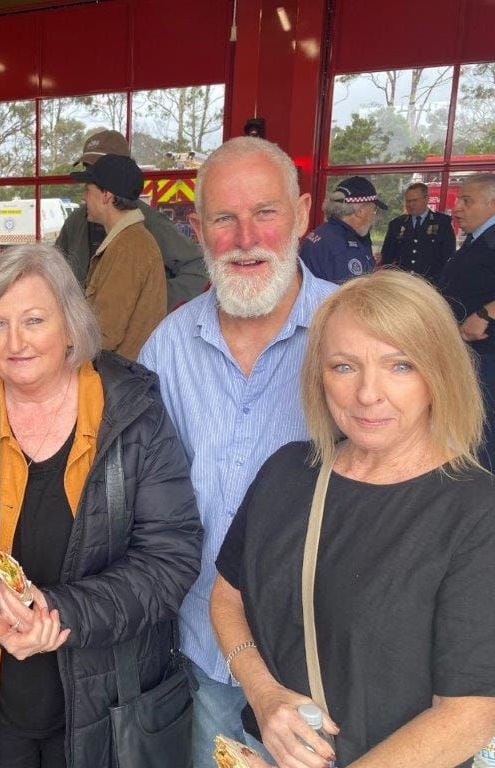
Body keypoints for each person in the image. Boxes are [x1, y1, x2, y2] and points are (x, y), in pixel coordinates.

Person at [0, 244, 202, 768]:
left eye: (34, 319)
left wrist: (62, 612)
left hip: (106, 703)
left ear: (70, 322)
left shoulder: (132, 410)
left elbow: (170, 554)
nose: (15, 342)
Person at [211, 269, 495, 767]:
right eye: (344, 367)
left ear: (440, 373)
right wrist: (265, 695)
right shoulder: (287, 473)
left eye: (400, 366)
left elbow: (471, 712)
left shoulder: (476, 510)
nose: (368, 394)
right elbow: (226, 596)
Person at [138, 136, 337, 764]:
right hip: (201, 649)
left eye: (266, 212)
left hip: (325, 658)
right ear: (197, 228)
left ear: (303, 214)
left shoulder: (353, 330)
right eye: (224, 218)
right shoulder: (167, 348)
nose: (245, 236)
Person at [54, 129, 208, 311]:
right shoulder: (76, 222)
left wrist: (152, 303)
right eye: (88, 169)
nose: (91, 177)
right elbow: (53, 270)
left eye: (99, 168)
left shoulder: (151, 224)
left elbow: (198, 267)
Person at [69, 152, 166, 359]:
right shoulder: (127, 241)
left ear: (107, 196)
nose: (84, 197)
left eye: (88, 190)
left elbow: (105, 334)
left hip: (120, 380)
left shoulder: (128, 247)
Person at [438, 172, 495, 472]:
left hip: (488, 358)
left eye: (467, 201)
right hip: (468, 354)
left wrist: (486, 314)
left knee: (485, 434)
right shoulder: (477, 239)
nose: (457, 207)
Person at [299, 176, 387, 284]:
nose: (374, 215)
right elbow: (353, 296)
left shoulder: (322, 232)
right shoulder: (345, 248)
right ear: (360, 211)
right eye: (374, 209)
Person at [379, 181, 454, 284]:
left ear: (426, 199)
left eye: (415, 200)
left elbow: (448, 257)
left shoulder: (442, 223)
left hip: (430, 284)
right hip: (402, 283)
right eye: (408, 201)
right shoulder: (396, 224)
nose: (411, 204)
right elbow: (387, 257)